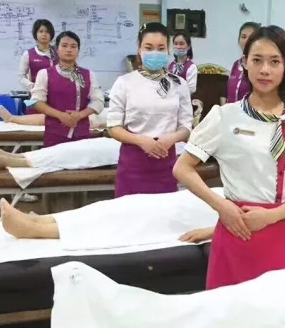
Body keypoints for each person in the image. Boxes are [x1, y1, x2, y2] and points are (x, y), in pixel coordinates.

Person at [173, 25, 285, 289]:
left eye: (274, 61)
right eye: (257, 60)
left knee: (269, 304)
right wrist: (222, 207)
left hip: (278, 229)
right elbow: (182, 168)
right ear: (244, 63)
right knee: (224, 306)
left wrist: (271, 216)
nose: (265, 70)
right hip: (233, 227)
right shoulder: (224, 116)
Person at [107, 22, 193, 198]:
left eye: (161, 48)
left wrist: (172, 138)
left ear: (168, 50)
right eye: (148, 47)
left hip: (166, 161)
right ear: (139, 50)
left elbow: (186, 126)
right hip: (133, 163)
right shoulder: (124, 83)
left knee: (164, 211)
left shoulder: (179, 84)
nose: (155, 52)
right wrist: (141, 141)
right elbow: (113, 127)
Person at [30, 31, 105, 147]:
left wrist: (80, 115)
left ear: (78, 51)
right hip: (54, 134)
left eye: (73, 46)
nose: (69, 50)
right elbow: (36, 102)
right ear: (56, 49)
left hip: (81, 135)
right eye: (64, 46)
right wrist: (61, 116)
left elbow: (98, 101)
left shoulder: (89, 74)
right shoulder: (45, 74)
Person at [18, 19, 57, 114]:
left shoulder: (58, 52)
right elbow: (21, 77)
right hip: (36, 96)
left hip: (56, 96)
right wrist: (33, 87)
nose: (44, 34)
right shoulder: (28, 54)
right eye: (41, 31)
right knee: (34, 121)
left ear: (51, 34)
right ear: (35, 34)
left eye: (47, 32)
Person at [224, 21, 261, 105]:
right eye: (243, 37)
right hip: (232, 111)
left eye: (251, 37)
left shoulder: (259, 66)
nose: (246, 41)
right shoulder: (236, 64)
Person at [0, 105, 107, 130]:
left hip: (95, 120)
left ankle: (12, 118)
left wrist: (99, 125)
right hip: (94, 114)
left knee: (49, 119)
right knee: (49, 117)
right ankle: (12, 118)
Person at [168, 31, 198, 95]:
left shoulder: (191, 67)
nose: (178, 47)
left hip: (183, 99)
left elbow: (191, 89)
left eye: (181, 44)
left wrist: (175, 92)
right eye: (175, 44)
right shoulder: (171, 65)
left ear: (188, 46)